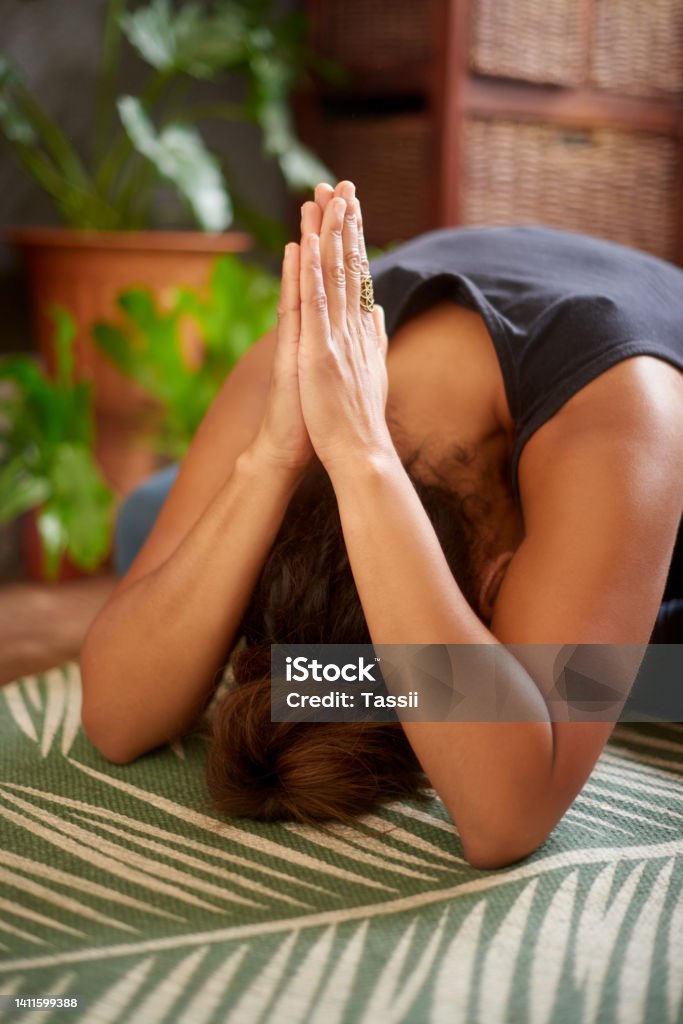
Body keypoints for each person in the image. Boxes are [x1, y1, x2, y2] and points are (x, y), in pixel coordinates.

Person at [80, 182, 683, 869]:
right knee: (155, 535)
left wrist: (363, 451)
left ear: (496, 581)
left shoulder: (621, 410)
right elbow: (117, 718)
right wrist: (272, 457)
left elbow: (507, 813)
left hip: (650, 453)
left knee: (640, 674)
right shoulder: (305, 360)